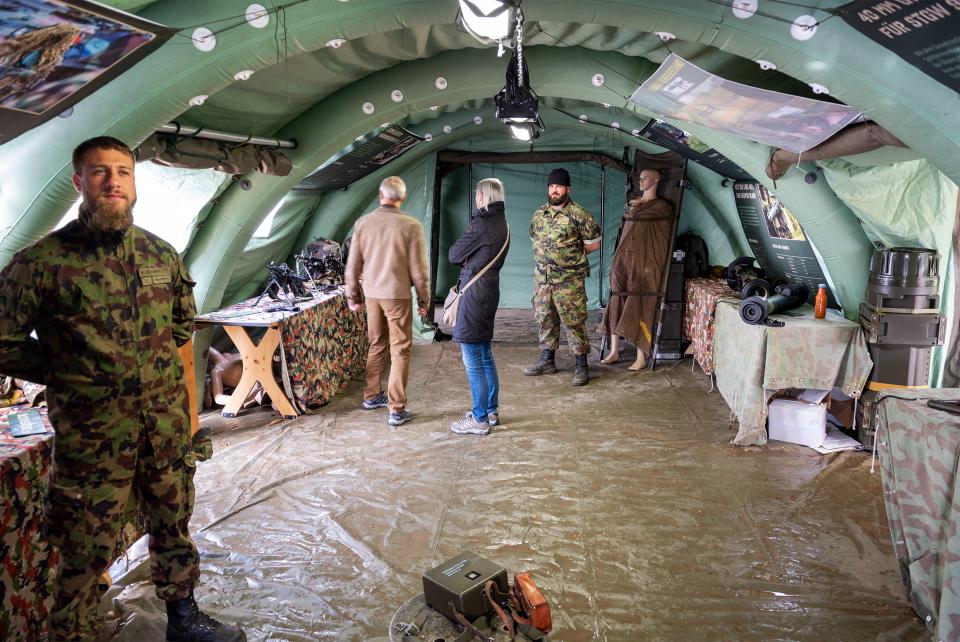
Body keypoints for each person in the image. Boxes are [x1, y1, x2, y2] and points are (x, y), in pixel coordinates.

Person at [0, 137, 245, 642]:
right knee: (83, 543)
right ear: (78, 182)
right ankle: (71, 631)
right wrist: (65, 367)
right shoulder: (41, 263)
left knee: (173, 521)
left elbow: (182, 320)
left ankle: (184, 620)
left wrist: (145, 363)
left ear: (134, 182)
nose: (112, 181)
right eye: (98, 172)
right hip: (93, 437)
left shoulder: (160, 252)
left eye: (122, 172)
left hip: (164, 426)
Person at [345, 176, 429, 427]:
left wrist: (353, 297)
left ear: (380, 195)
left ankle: (371, 396)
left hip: (372, 295)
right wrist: (423, 300)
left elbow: (352, 266)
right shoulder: (411, 226)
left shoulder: (363, 223)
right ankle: (396, 408)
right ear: (402, 198)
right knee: (400, 350)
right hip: (398, 295)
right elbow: (419, 271)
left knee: (377, 344)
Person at [523, 168, 602, 386]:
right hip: (542, 279)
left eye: (558, 186)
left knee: (573, 321)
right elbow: (534, 238)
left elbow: (594, 243)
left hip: (568, 281)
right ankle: (547, 361)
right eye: (551, 186)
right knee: (545, 318)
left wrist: (570, 256)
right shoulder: (540, 213)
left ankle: (581, 365)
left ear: (567, 189)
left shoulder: (579, 214)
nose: (554, 190)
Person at [447, 178, 510, 436]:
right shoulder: (502, 222)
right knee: (484, 354)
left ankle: (480, 417)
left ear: (483, 196)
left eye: (477, 194)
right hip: (490, 290)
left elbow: (453, 254)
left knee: (473, 358)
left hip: (474, 294)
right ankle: (490, 409)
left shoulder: (481, 223)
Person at [600, 169, 674, 370]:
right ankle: (614, 350)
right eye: (639, 179)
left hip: (645, 261)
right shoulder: (632, 205)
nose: (641, 182)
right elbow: (629, 216)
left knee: (640, 300)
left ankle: (641, 356)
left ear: (657, 179)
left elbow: (658, 230)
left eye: (645, 178)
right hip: (623, 258)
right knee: (616, 297)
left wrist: (638, 206)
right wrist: (635, 206)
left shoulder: (661, 207)